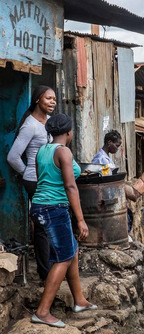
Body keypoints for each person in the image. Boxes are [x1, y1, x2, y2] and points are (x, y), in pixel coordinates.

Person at [29, 114, 96, 328]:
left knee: (71, 250)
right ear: (69, 133)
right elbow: (70, 186)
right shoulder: (64, 151)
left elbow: (43, 179)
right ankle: (42, 311)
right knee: (64, 257)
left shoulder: (42, 151)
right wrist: (81, 219)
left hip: (39, 206)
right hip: (54, 209)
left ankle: (79, 301)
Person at [7, 86, 56, 284]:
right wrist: (28, 172)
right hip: (35, 181)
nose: (52, 102)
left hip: (47, 180)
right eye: (48, 98)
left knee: (51, 225)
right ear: (37, 100)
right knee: (43, 228)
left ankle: (51, 269)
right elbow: (13, 156)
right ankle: (45, 274)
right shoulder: (30, 125)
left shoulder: (49, 122)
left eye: (54, 99)